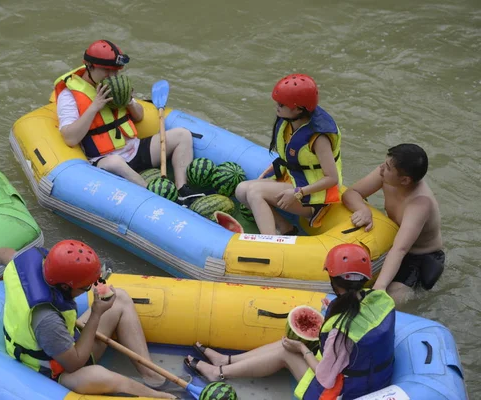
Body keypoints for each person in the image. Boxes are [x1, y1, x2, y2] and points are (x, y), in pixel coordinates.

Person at [184, 244, 395, 400]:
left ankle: (218, 372)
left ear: (332, 279)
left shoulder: (341, 330)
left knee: (288, 350)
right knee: (288, 343)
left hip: (344, 392)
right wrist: (329, 310)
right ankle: (226, 361)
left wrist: (303, 350)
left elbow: (325, 378)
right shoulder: (381, 300)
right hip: (372, 378)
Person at [0, 240, 182, 398]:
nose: (90, 289)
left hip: (59, 343)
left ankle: (153, 377)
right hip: (54, 369)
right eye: (85, 287)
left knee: (120, 297)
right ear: (65, 286)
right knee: (100, 375)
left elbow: (4, 254)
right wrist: (96, 313)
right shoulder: (47, 319)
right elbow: (75, 364)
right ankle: (160, 397)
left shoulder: (26, 265)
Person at [54, 39, 204, 205]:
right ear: (89, 66)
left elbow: (139, 117)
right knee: (115, 162)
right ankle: (156, 197)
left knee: (182, 135)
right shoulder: (69, 96)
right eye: (107, 71)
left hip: (135, 149)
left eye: (116, 72)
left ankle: (183, 190)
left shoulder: (117, 86)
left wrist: (130, 102)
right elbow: (70, 138)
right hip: (105, 159)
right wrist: (95, 106)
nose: (112, 77)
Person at [235, 74, 342, 235]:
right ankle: (286, 228)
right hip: (294, 179)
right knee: (241, 190)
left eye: (281, 104)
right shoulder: (289, 121)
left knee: (255, 192)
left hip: (314, 196)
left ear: (299, 109)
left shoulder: (319, 138)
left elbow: (332, 178)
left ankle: (269, 243)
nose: (277, 107)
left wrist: (298, 192)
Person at [342, 143, 443, 304]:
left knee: (392, 298)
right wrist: (363, 209)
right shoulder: (385, 174)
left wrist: (380, 287)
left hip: (419, 256)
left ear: (404, 180)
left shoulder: (419, 204)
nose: (382, 167)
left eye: (388, 167)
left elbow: (400, 249)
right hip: (393, 241)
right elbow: (351, 193)